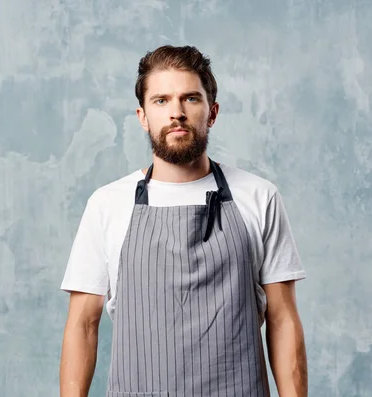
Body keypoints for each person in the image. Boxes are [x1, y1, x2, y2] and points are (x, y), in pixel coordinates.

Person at [59, 45, 308, 397]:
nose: (176, 112)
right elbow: (83, 325)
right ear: (143, 115)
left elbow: (283, 320)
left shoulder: (258, 196)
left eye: (190, 98)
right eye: (161, 101)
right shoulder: (107, 204)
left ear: (212, 112)